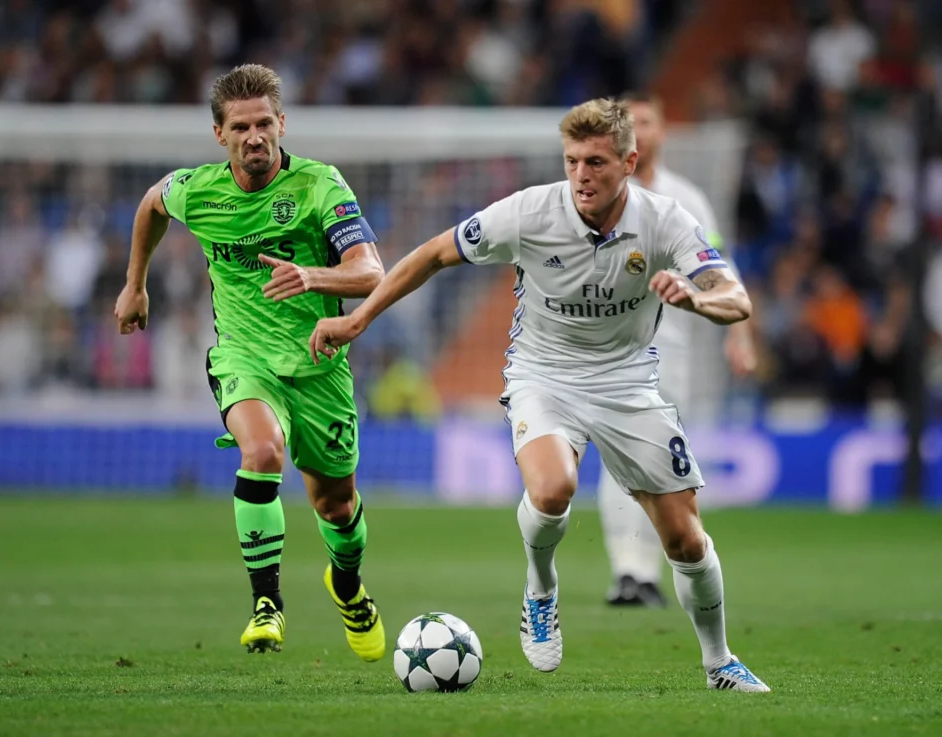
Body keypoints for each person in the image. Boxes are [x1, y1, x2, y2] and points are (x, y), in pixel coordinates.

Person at [309, 98, 770, 692]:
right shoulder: (529, 211)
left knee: (685, 538)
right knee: (553, 489)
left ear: (628, 163)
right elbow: (432, 254)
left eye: (596, 162)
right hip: (544, 375)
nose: (581, 175)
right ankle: (541, 588)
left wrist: (699, 299)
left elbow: (735, 297)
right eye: (572, 161)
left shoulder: (666, 218)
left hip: (628, 381)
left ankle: (719, 662)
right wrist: (359, 319)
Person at [114, 64, 386, 661]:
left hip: (318, 366)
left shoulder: (319, 186)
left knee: (336, 506)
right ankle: (267, 603)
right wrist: (135, 285)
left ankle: (347, 586)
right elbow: (152, 204)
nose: (254, 136)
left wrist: (311, 275)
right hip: (244, 357)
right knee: (261, 453)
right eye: (240, 127)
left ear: (282, 123)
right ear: (220, 134)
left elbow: (372, 273)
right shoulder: (199, 190)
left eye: (264, 123)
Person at [599, 93, 758, 608]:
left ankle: (648, 570)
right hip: (610, 347)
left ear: (662, 131)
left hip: (671, 349)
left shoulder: (686, 198)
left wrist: (739, 334)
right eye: (629, 123)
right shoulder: (598, 195)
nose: (639, 131)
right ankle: (628, 572)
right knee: (618, 457)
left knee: (663, 460)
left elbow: (719, 267)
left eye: (647, 121)